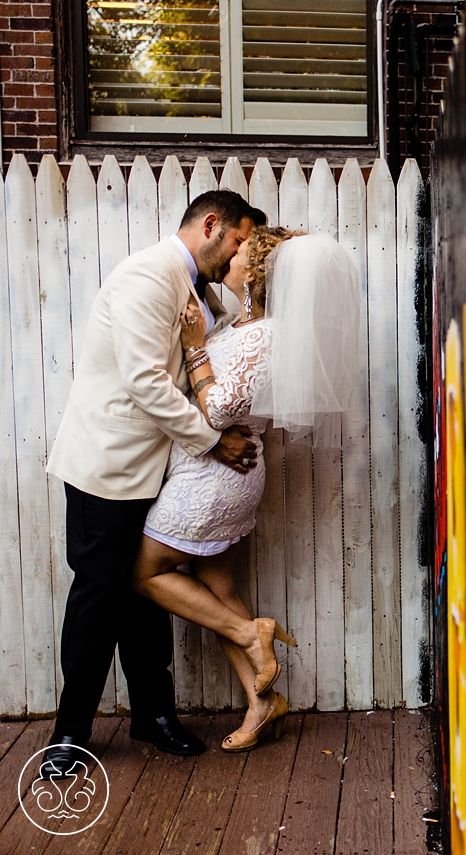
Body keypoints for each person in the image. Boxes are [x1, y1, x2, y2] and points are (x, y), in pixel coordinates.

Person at [45, 191, 267, 769]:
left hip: (157, 470)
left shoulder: (199, 289)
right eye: (240, 241)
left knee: (144, 590)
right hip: (108, 464)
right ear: (211, 225)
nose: (241, 253)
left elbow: (214, 352)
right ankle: (70, 732)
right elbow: (146, 382)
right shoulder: (147, 276)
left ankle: (153, 714)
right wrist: (216, 443)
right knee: (98, 593)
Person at [131, 227, 363, 751]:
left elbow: (217, 410)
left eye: (240, 253)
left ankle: (249, 634)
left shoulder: (266, 334)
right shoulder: (244, 322)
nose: (231, 255)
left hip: (213, 479)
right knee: (217, 587)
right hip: (219, 473)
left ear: (255, 274)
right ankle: (262, 704)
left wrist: (194, 349)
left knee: (143, 571)